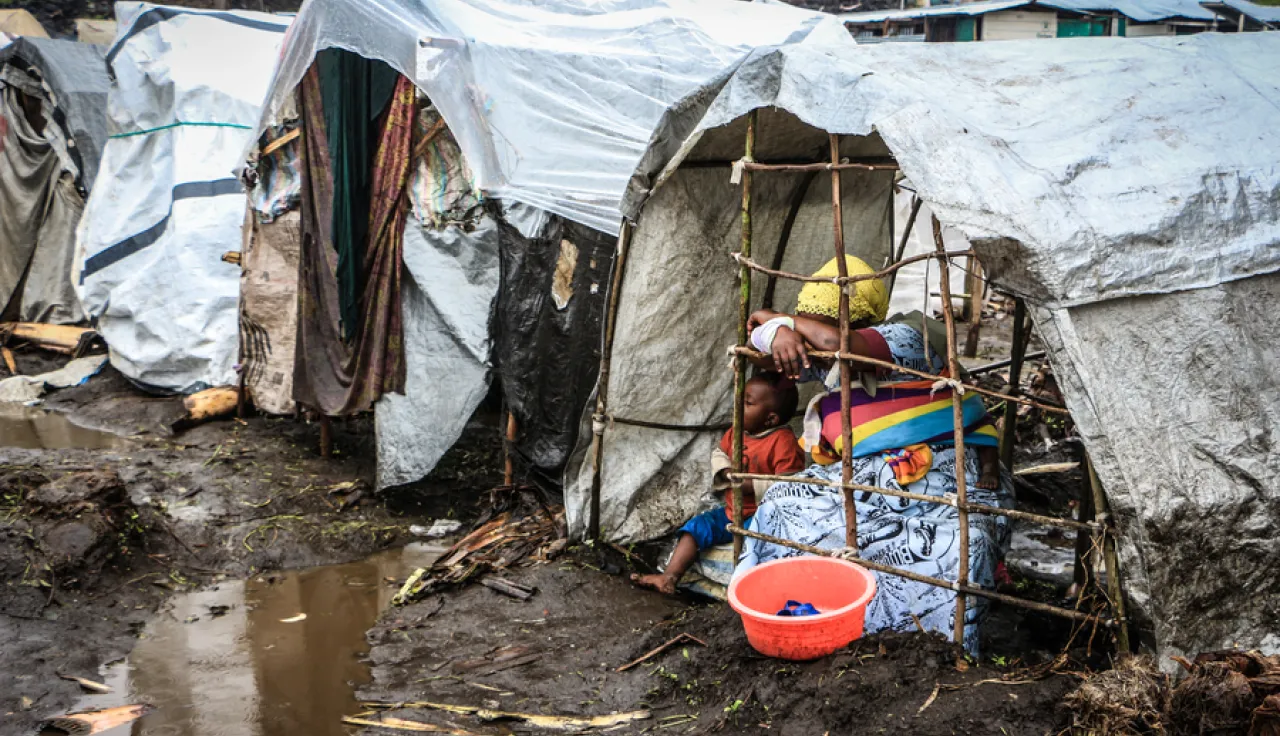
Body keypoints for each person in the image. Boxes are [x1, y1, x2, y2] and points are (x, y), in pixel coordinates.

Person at [739, 255, 1013, 653]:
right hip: (863, 472)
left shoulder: (907, 337)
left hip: (935, 469)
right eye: (803, 327)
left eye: (812, 326)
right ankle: (805, 615)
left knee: (960, 543)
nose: (808, 342)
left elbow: (832, 343)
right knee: (781, 503)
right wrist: (777, 332)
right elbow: (764, 350)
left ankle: (931, 646)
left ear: (857, 321)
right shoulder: (821, 352)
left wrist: (780, 321)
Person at [633, 373, 804, 594]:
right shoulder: (736, 433)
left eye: (747, 403)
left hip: (761, 518)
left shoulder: (783, 442)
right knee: (696, 528)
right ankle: (669, 577)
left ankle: (749, 589)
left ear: (770, 419)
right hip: (731, 512)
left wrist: (751, 485)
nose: (737, 406)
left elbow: (790, 485)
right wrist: (725, 472)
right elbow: (720, 453)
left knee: (757, 547)